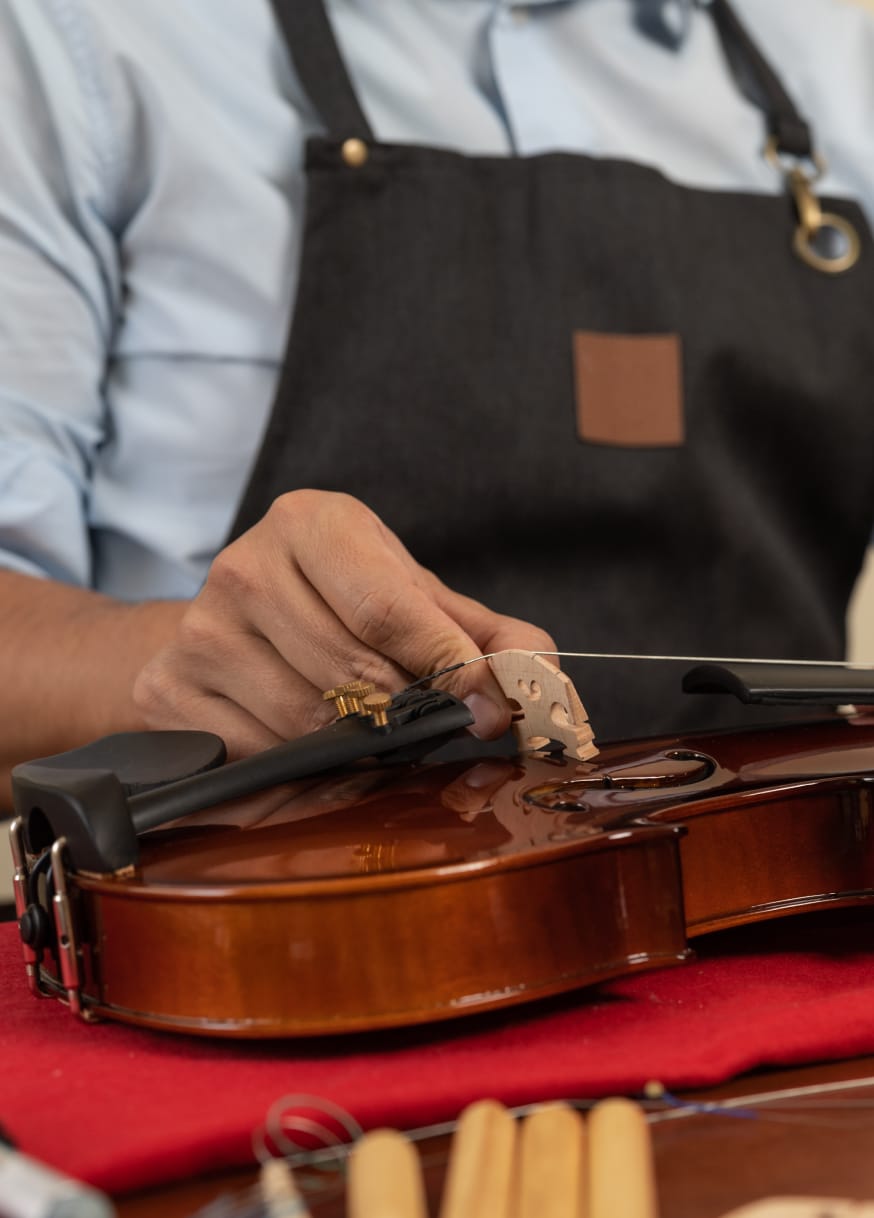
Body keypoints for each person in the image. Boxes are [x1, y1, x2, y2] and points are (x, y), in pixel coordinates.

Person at [0, 0, 873, 810]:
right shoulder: (84, 37)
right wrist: (184, 665)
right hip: (294, 935)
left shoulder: (834, 62)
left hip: (795, 928)